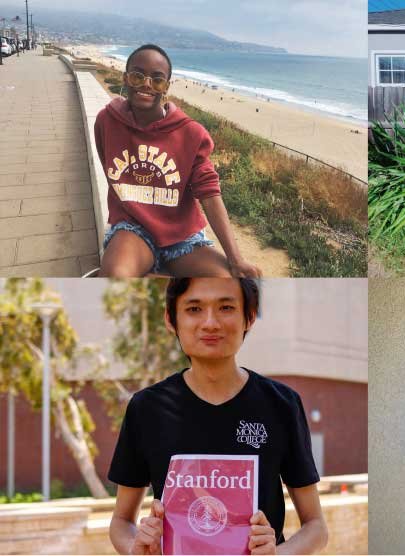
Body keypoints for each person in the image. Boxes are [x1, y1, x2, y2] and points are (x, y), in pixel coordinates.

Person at [108, 278, 327, 555]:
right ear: (170, 319)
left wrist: (277, 554)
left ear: (249, 317)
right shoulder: (147, 408)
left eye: (226, 307)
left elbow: (316, 526)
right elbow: (121, 521)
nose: (210, 323)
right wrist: (134, 547)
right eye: (194, 309)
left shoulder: (281, 404)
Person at [94, 44, 261, 278]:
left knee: (227, 283)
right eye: (137, 75)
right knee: (116, 277)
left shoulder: (191, 133)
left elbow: (209, 194)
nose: (146, 84)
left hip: (182, 237)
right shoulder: (106, 122)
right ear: (126, 78)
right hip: (132, 230)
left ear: (166, 87)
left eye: (157, 79)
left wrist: (236, 260)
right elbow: (108, 165)